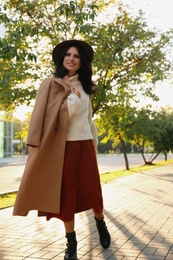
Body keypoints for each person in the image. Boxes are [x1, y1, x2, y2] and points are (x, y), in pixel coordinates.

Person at [13, 39, 110, 260]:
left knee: (93, 193)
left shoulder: (85, 88)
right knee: (66, 197)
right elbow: (53, 118)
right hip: (62, 149)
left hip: (85, 146)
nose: (71, 59)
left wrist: (92, 145)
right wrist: (72, 102)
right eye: (68, 55)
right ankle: (71, 243)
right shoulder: (53, 84)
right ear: (62, 58)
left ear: (81, 62)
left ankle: (100, 222)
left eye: (76, 56)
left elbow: (89, 121)